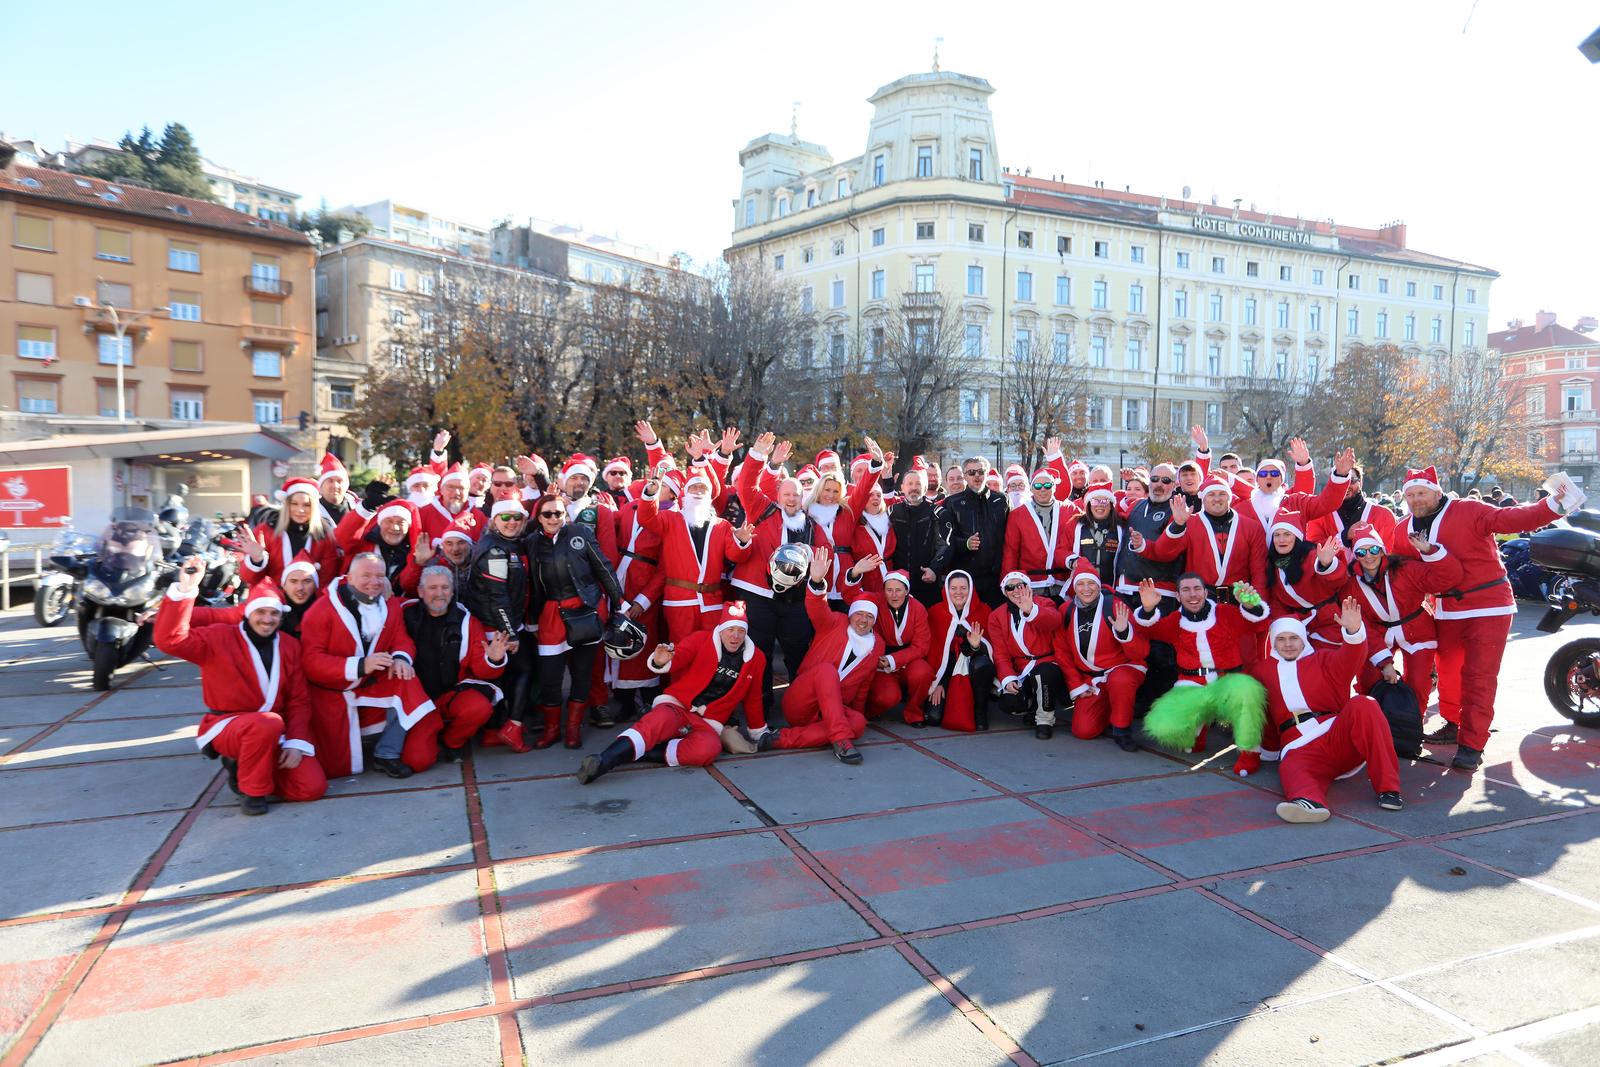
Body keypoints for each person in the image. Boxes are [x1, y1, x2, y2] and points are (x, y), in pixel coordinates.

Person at [1387, 465, 1573, 771]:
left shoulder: (1469, 510)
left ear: (1436, 491)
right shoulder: (1402, 528)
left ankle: (1472, 743)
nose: (1416, 499)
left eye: (1421, 493)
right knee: (1447, 671)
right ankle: (1452, 723)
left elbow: (1512, 518)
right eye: (1410, 495)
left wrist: (1552, 504)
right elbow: (1399, 570)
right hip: (1445, 609)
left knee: (1478, 677)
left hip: (1488, 607)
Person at [154, 557, 327, 815]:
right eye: (260, 612)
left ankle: (252, 767)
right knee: (267, 723)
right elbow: (170, 640)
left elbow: (299, 701)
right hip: (228, 726)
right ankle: (252, 791)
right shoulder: (218, 637)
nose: (267, 619)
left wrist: (296, 741)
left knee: (311, 788)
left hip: (272, 729)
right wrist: (186, 590)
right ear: (247, 613)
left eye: (273, 614)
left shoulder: (289, 646)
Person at [578, 601, 767, 781]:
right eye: (731, 630)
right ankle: (603, 761)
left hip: (708, 722)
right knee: (658, 721)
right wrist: (661, 660)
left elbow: (753, 698)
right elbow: (680, 655)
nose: (735, 636)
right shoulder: (701, 639)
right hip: (679, 706)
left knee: (707, 750)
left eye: (741, 631)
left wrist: (759, 732)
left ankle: (638, 753)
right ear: (721, 629)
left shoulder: (757, 658)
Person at [1256, 606, 1403, 823]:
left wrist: (1353, 633)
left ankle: (1389, 789)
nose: (1288, 644)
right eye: (1281, 639)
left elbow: (1350, 658)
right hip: (1298, 746)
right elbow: (1264, 713)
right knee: (1290, 767)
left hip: (1336, 734)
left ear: (1303, 640)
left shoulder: (1323, 659)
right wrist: (1266, 750)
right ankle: (1309, 803)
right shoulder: (1263, 670)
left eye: (1294, 638)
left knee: (1365, 703)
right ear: (1274, 642)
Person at [299, 552, 437, 779]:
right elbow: (310, 661)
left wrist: (402, 658)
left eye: (379, 576)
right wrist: (361, 665)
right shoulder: (321, 610)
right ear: (349, 578)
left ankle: (387, 753)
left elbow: (401, 639)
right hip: (332, 694)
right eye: (366, 575)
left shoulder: (389, 604)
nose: (374, 582)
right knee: (334, 769)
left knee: (407, 679)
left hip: (370, 684)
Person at [754, 547, 882, 764]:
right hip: (802, 703)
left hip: (831, 711)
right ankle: (841, 740)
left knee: (858, 723)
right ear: (851, 614)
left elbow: (864, 685)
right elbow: (817, 607)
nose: (863, 620)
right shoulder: (834, 623)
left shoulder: (877, 645)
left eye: (869, 617)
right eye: (859, 613)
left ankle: (779, 740)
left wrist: (855, 713)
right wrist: (815, 581)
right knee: (826, 671)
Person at [1133, 574, 1270, 774]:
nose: (1192, 594)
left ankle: (1249, 752)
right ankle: (1197, 732)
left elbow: (1257, 624)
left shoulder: (1225, 613)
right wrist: (1147, 608)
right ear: (1178, 597)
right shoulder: (1175, 621)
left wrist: (1250, 606)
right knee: (1161, 724)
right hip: (1192, 684)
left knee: (1248, 691)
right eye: (1186, 590)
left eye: (1197, 589)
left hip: (1228, 682)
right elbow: (1150, 630)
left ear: (1206, 592)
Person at [734, 435, 833, 707]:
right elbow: (746, 484)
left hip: (795, 600)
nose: (791, 499)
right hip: (759, 596)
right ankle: (761, 706)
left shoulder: (812, 526)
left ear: (803, 499)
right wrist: (758, 456)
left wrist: (810, 560)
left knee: (799, 651)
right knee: (759, 652)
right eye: (786, 494)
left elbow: (826, 554)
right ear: (777, 496)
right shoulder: (762, 511)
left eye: (796, 495)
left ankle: (800, 703)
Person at [527, 492, 626, 750]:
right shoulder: (531, 542)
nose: (553, 518)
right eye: (547, 514)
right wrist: (530, 620)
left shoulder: (579, 534)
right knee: (550, 677)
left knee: (582, 674)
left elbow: (603, 568)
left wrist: (618, 605)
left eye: (558, 513)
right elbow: (530, 586)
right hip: (550, 615)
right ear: (538, 517)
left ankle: (573, 729)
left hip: (583, 611)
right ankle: (551, 729)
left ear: (565, 515)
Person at [1347, 521, 1460, 715]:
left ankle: (1412, 729)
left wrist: (1430, 551)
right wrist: (1385, 663)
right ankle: (1375, 725)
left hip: (1418, 631)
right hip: (1379, 633)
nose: (1369, 556)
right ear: (1355, 556)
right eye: (1361, 552)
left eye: (1374, 549)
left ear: (1382, 550)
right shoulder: (1351, 584)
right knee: (1368, 678)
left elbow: (1449, 578)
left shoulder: (1405, 568)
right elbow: (1362, 624)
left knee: (1419, 683)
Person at [402, 565, 509, 765]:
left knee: (479, 707)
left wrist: (494, 659)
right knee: (417, 761)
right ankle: (426, 734)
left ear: (452, 591)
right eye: (433, 588)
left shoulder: (467, 621)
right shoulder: (404, 612)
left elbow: (480, 669)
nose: (439, 593)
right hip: (416, 701)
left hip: (450, 694)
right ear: (420, 591)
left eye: (445, 587)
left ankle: (452, 741)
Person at [635, 465, 753, 642]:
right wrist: (651, 494)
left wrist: (742, 541)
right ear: (685, 493)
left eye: (703, 488)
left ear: (709, 494)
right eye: (694, 487)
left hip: (711, 604)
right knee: (680, 652)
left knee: (710, 654)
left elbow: (736, 556)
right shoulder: (671, 519)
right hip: (679, 603)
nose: (698, 491)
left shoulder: (722, 525)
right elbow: (646, 518)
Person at [463, 499, 536, 750]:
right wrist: (511, 632)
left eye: (516, 517)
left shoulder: (509, 544)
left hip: (501, 623)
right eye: (505, 517)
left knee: (503, 677)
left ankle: (493, 730)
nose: (511, 522)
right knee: (524, 669)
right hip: (496, 626)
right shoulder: (495, 549)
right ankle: (512, 727)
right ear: (494, 520)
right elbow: (497, 596)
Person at [1058, 562, 1147, 749]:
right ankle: (1109, 707)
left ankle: (1122, 729)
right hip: (1091, 680)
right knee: (1083, 731)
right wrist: (1077, 684)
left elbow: (1141, 653)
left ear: (1099, 586)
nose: (1086, 589)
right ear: (1074, 588)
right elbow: (1062, 653)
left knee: (1120, 680)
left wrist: (1124, 634)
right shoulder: (1066, 611)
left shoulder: (1115, 606)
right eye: (1080, 584)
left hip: (1122, 669)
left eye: (1091, 584)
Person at [987, 572, 1065, 739]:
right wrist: (1008, 678)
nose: (1016, 590)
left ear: (1029, 587)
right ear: (1004, 592)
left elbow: (1055, 621)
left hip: (1047, 664)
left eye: (1020, 585)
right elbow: (1000, 652)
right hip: (1021, 668)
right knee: (1010, 702)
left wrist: (1031, 610)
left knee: (1043, 673)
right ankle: (1031, 707)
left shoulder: (1043, 602)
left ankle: (1044, 720)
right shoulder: (997, 616)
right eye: (1010, 587)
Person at [925, 570, 995, 731]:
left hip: (973, 669)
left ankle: (980, 712)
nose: (958, 592)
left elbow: (993, 649)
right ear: (946, 590)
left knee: (982, 664)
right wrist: (938, 683)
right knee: (934, 718)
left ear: (971, 590)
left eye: (963, 588)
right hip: (945, 671)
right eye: (953, 588)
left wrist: (976, 646)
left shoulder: (983, 611)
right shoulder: (935, 612)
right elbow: (933, 652)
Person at [238, 477, 338, 588]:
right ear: (286, 505)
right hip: (273, 601)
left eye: (306, 505)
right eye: (294, 504)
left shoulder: (325, 536)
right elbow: (248, 578)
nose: (300, 510)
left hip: (311, 603)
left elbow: (327, 580)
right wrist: (256, 560)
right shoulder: (266, 531)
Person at [864, 570, 935, 726]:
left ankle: (914, 712)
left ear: (907, 591)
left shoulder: (918, 609)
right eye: (889, 590)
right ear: (883, 591)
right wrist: (854, 574)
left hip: (909, 659)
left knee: (923, 673)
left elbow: (921, 646)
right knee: (887, 697)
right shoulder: (876, 602)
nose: (894, 595)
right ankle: (868, 711)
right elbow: (854, 596)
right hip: (881, 661)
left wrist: (893, 659)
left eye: (898, 590)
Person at [1262, 513, 1346, 641]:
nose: (1281, 540)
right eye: (1277, 535)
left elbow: (1339, 581)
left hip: (1330, 623)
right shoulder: (1273, 564)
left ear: (1296, 537)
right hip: (1299, 627)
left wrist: (1326, 565)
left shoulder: (1311, 555)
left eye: (1287, 534)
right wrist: (1285, 626)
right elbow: (1277, 603)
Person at [1002, 463, 1079, 600]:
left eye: (1047, 485)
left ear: (1054, 487)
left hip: (1063, 583)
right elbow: (1011, 551)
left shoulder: (1070, 510)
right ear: (1031, 488)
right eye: (1037, 486)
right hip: (1031, 585)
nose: (1042, 489)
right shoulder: (1017, 514)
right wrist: (1008, 582)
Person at [943, 456, 1009, 608]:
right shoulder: (953, 503)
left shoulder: (1002, 500)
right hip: (967, 577)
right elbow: (945, 540)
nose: (977, 476)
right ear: (965, 476)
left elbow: (1010, 536)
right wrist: (964, 544)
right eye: (971, 472)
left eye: (981, 471)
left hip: (996, 576)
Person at [887, 458, 953, 607]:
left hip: (927, 582)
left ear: (924, 488)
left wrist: (934, 569)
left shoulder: (938, 513)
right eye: (910, 484)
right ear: (902, 487)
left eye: (918, 484)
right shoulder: (892, 512)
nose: (914, 487)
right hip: (897, 584)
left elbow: (946, 545)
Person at [1307, 464, 1396, 562]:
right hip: (1334, 576)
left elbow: (1390, 556)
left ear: (1360, 483)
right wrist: (1344, 537)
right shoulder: (1319, 516)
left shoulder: (1384, 515)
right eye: (1340, 481)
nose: (1346, 485)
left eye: (1351, 480)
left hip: (1372, 577)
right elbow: (1313, 553)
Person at [315, 452, 359, 530]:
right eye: (330, 481)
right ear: (321, 486)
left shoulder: (357, 508)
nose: (335, 486)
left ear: (346, 485)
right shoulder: (312, 510)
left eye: (339, 481)